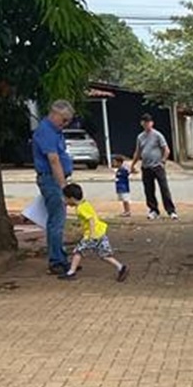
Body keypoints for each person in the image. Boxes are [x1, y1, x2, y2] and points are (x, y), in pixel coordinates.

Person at [31, 100, 75, 276]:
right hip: (52, 180)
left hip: (55, 178)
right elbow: (54, 159)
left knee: (59, 220)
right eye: (63, 120)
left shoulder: (55, 131)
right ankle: (56, 261)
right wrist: (63, 186)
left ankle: (61, 258)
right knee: (56, 221)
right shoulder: (46, 131)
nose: (65, 124)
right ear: (55, 114)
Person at [60, 183, 129, 282]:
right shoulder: (85, 203)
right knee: (104, 254)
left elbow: (91, 220)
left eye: (65, 198)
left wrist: (91, 235)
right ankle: (121, 267)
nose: (64, 201)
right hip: (100, 232)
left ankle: (71, 272)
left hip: (92, 235)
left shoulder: (80, 209)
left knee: (78, 251)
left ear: (71, 198)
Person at [129, 113, 177, 220]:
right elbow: (138, 152)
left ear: (152, 123)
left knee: (164, 188)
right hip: (146, 166)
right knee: (149, 190)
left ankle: (171, 210)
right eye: (144, 122)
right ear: (142, 123)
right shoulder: (140, 137)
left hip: (157, 166)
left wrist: (163, 161)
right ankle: (153, 210)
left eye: (148, 122)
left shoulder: (157, 135)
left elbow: (166, 150)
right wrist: (133, 164)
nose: (146, 124)